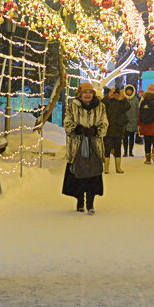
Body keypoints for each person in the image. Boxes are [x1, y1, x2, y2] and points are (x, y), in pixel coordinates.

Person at [62, 82, 109, 213]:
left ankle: (91, 203)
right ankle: (80, 201)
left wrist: (96, 130)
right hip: (77, 145)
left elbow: (105, 123)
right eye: (85, 92)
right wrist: (77, 129)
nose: (87, 95)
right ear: (80, 94)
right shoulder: (72, 106)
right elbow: (67, 122)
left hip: (94, 145)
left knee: (93, 175)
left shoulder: (101, 107)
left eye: (90, 92)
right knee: (78, 174)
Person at [102, 87, 129, 173]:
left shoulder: (121, 102)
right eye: (113, 93)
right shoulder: (107, 101)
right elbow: (100, 104)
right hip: (108, 128)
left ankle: (118, 167)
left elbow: (128, 107)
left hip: (118, 128)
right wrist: (108, 96)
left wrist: (123, 98)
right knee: (107, 148)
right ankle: (106, 168)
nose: (115, 94)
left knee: (118, 148)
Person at [137, 84, 154, 163]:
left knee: (147, 142)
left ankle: (147, 159)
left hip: (145, 125)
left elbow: (139, 113)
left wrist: (139, 123)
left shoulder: (143, 101)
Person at [122, 84, 140, 157]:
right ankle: (125, 152)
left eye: (130, 90)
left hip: (133, 121)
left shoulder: (135, 99)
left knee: (132, 138)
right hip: (125, 121)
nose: (129, 92)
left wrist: (137, 120)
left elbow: (137, 110)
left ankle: (130, 152)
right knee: (125, 138)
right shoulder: (123, 99)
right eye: (127, 90)